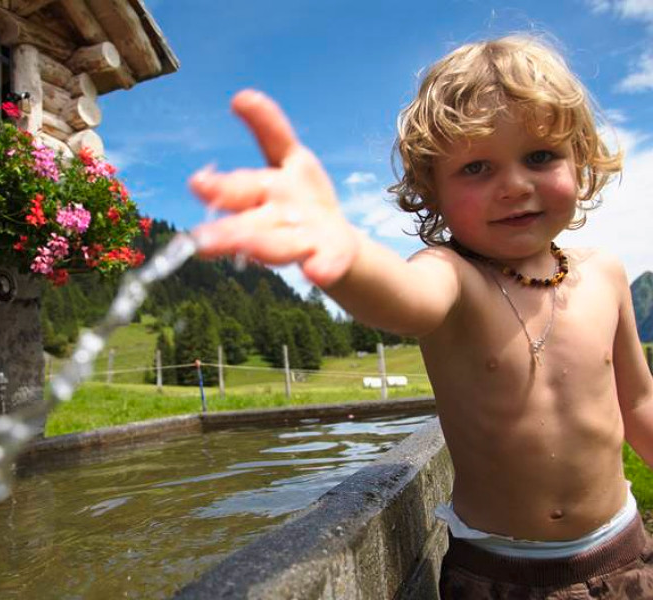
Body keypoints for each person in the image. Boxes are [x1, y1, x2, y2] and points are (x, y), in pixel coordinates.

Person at [189, 34, 653, 598]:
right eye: (477, 167)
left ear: (579, 160)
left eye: (540, 156)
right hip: (498, 574)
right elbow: (404, 299)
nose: (513, 185)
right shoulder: (452, 275)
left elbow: (638, 401)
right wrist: (342, 253)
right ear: (431, 190)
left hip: (623, 553)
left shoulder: (605, 273)